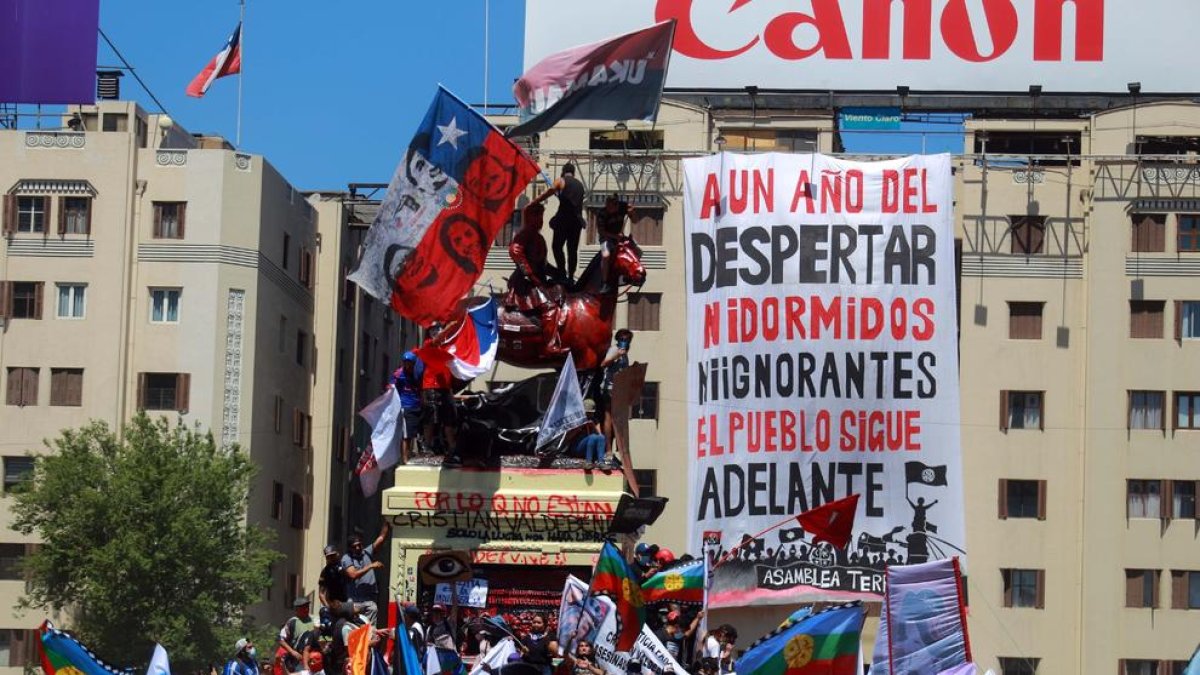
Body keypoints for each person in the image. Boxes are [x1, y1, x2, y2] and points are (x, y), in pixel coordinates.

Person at [533, 164, 586, 282]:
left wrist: (536, 201)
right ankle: (571, 276)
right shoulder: (580, 185)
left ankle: (562, 273)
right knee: (572, 250)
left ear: (563, 172)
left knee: (556, 246)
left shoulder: (561, 181)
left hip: (563, 221)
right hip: (576, 222)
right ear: (574, 173)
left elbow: (550, 191)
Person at [414, 327, 458, 458]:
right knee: (431, 418)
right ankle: (427, 446)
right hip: (431, 386)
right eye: (433, 330)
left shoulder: (448, 346)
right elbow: (435, 340)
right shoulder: (429, 345)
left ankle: (452, 446)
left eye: (438, 329)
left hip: (445, 387)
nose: (436, 332)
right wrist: (451, 326)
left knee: (449, 418)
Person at [342, 521, 390, 625]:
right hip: (355, 601)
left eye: (359, 545)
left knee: (370, 629)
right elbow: (353, 574)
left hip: (369, 600)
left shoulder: (366, 552)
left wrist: (387, 522)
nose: (358, 548)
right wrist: (371, 566)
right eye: (354, 546)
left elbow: (381, 539)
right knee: (353, 628)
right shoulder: (347, 558)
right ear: (350, 548)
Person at [597, 329, 633, 462]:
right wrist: (616, 356)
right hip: (610, 389)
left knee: (617, 420)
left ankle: (614, 448)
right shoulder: (615, 350)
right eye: (623, 340)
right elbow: (603, 364)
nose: (625, 342)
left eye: (627, 340)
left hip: (620, 390)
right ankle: (608, 450)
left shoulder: (625, 355)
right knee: (609, 418)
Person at [596, 194, 634, 294]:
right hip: (606, 238)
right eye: (607, 206)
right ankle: (604, 283)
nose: (608, 209)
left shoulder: (623, 206)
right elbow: (601, 232)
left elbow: (635, 220)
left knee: (636, 251)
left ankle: (628, 275)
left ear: (616, 205)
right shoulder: (601, 213)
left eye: (610, 207)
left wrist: (631, 213)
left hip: (619, 237)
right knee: (605, 255)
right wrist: (615, 236)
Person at [390, 352, 423, 463]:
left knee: (413, 432)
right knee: (406, 434)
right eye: (406, 363)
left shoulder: (417, 373)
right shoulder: (399, 374)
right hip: (406, 406)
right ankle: (404, 458)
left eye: (410, 363)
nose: (408, 366)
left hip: (418, 406)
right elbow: (391, 388)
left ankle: (410, 453)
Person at [278, 597, 318, 673]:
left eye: (307, 606)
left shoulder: (315, 620)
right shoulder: (292, 622)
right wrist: (292, 652)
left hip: (314, 661)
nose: (306, 609)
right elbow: (280, 639)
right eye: (303, 607)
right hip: (298, 662)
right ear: (296, 609)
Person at [567, 400, 606, 470]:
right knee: (593, 437)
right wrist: (579, 427)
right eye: (587, 413)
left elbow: (600, 435)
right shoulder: (576, 420)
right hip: (577, 448)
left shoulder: (595, 421)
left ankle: (601, 462)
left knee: (601, 437)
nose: (589, 415)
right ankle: (588, 462)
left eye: (590, 413)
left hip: (590, 447)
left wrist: (593, 426)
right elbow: (568, 438)